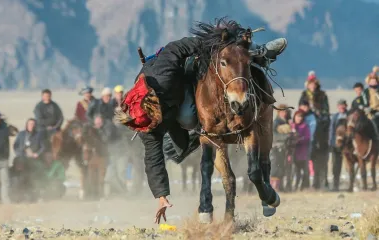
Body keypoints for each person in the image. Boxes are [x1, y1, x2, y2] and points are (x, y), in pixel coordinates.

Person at [117, 19, 288, 223]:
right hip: (179, 104)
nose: (154, 124)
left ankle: (261, 52)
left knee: (225, 63)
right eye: (154, 123)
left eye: (155, 119)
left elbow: (181, 46)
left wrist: (222, 45)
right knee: (189, 120)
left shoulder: (163, 68)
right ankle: (200, 137)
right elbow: (153, 159)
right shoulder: (146, 125)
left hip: (185, 82)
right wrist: (161, 196)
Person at [12, 118, 45, 201]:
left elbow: (42, 147)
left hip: (33, 159)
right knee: (20, 176)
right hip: (22, 159)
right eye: (30, 124)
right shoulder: (21, 134)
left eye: (33, 124)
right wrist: (19, 153)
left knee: (34, 176)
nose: (31, 126)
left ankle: (34, 195)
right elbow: (15, 146)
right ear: (26, 125)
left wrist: (36, 154)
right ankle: (18, 195)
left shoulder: (38, 134)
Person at [328, 99, 348, 191]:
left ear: (346, 106)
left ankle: (351, 184)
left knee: (351, 164)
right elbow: (331, 130)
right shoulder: (335, 116)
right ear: (337, 107)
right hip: (336, 144)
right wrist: (331, 143)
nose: (342, 107)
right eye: (340, 106)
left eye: (343, 105)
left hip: (348, 144)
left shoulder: (349, 115)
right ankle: (336, 185)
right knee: (336, 165)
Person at [271, 104, 291, 191]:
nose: (284, 113)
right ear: (278, 112)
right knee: (276, 167)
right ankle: (274, 187)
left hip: (284, 148)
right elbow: (273, 135)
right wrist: (286, 136)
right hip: (276, 148)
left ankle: (280, 186)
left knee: (282, 167)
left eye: (285, 111)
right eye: (282, 111)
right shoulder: (276, 122)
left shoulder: (285, 121)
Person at [291, 110, 311, 191]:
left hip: (303, 153)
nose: (299, 118)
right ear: (294, 117)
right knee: (296, 171)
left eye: (301, 117)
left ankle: (303, 187)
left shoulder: (305, 126)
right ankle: (295, 187)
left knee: (305, 172)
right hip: (293, 153)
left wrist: (298, 140)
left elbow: (307, 137)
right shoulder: (292, 126)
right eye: (297, 116)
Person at [361, 72, 379, 138]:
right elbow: (365, 103)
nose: (373, 83)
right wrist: (367, 108)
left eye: (375, 81)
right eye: (372, 81)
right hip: (370, 112)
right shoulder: (366, 92)